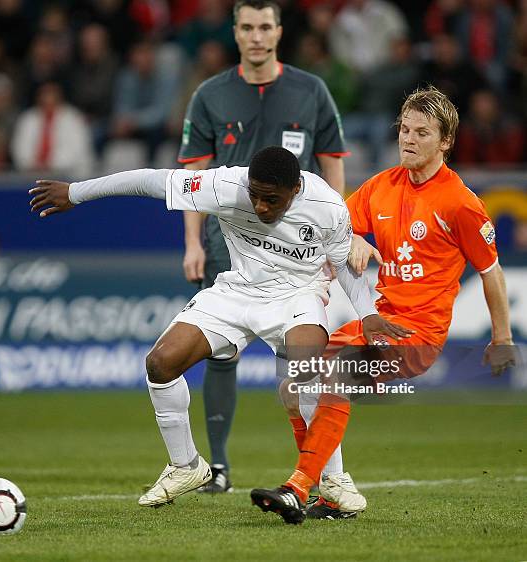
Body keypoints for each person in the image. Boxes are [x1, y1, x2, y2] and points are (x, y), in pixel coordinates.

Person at [28, 145, 412, 512]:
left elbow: (344, 261)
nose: (260, 206)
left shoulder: (327, 205)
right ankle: (186, 465)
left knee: (307, 365)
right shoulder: (225, 185)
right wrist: (76, 193)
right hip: (235, 291)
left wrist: (367, 314)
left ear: (295, 190)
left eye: (272, 200)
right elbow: (149, 179)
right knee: (160, 364)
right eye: (255, 196)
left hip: (297, 294)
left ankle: (333, 478)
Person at [252, 86, 517, 524]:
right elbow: (333, 230)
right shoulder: (381, 187)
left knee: (332, 376)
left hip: (418, 337)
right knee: (293, 388)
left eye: (422, 133)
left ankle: (298, 487)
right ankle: (335, 494)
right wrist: (354, 236)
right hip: (378, 325)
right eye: (405, 130)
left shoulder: (461, 203)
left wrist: (502, 338)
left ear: (445, 141)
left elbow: (491, 271)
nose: (408, 140)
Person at [179, 0, 349, 495]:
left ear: (278, 31)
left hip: (300, 250)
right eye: (247, 27)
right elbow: (193, 176)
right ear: (235, 32)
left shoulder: (311, 90)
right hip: (226, 242)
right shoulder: (210, 94)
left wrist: (340, 237)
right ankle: (218, 466)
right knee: (218, 353)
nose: (257, 36)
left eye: (265, 26)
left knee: (298, 363)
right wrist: (191, 240)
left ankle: (314, 473)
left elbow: (332, 163)